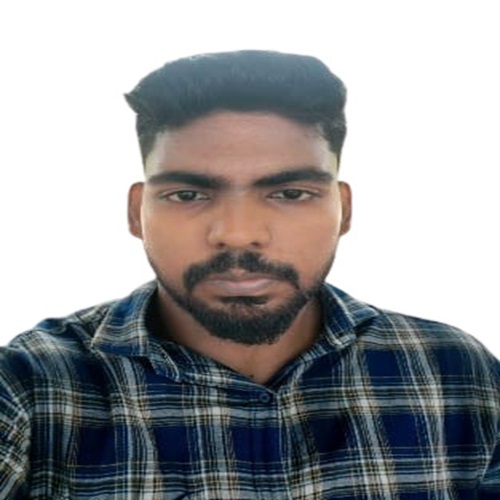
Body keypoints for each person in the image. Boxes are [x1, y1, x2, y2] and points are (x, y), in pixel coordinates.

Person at [0, 50, 498, 499]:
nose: (238, 234)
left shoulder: (458, 375)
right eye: (188, 195)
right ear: (137, 213)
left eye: (290, 193)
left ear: (343, 210)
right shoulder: (29, 387)